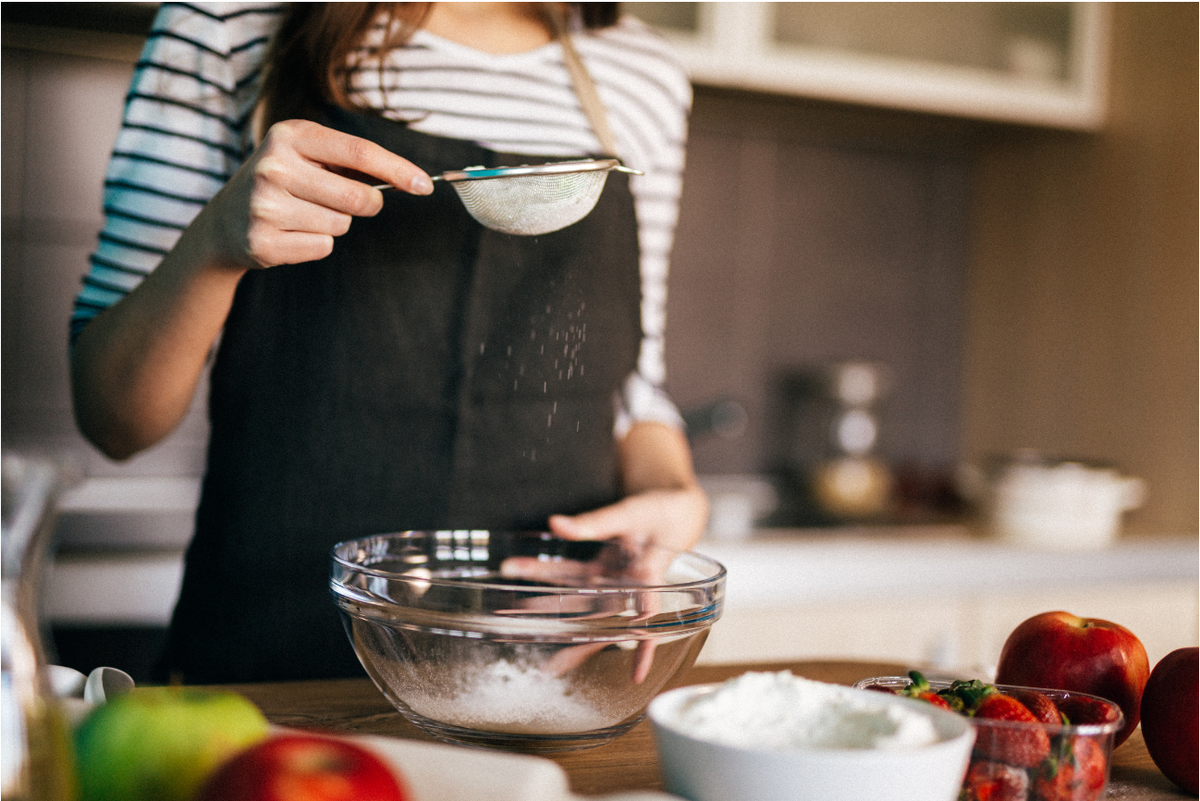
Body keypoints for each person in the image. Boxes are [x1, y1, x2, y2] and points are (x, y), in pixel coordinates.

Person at [70, 2, 707, 684]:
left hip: (546, 675)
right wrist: (215, 242)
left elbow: (633, 387)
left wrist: (674, 492)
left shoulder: (643, 75)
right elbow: (112, 417)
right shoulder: (227, 24)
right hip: (274, 673)